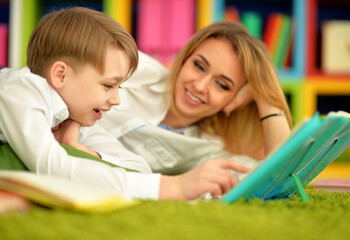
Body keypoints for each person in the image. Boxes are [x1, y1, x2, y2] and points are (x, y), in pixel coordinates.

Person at [0, 7, 249, 201]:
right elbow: (54, 168)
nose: (117, 99)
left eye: (119, 87)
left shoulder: (75, 118)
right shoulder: (21, 92)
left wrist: (78, 147)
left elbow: (138, 170)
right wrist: (174, 186)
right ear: (61, 76)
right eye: (109, 86)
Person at [98, 21, 292, 176]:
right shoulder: (133, 67)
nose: (200, 86)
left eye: (222, 85)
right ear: (184, 60)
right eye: (199, 66)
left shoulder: (208, 150)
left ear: (235, 99)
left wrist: (263, 96)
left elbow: (279, 174)